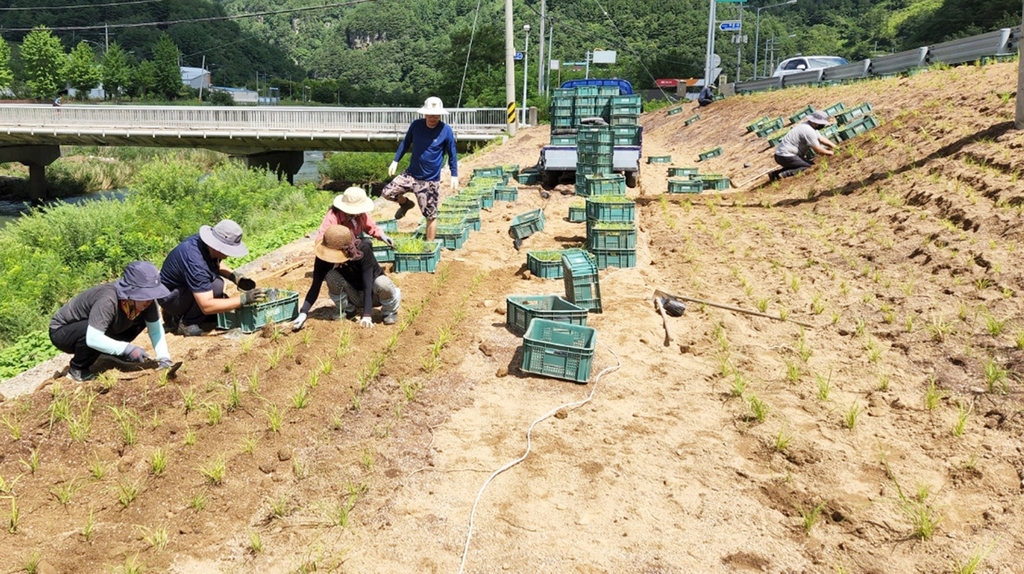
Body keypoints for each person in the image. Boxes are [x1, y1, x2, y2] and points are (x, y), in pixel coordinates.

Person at [49, 261, 174, 382]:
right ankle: (78, 369)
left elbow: (156, 330)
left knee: (140, 319)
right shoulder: (108, 300)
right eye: (145, 295)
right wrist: (126, 349)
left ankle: (109, 353)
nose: (149, 300)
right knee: (94, 329)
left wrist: (164, 358)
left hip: (98, 329)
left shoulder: (147, 302)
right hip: (63, 332)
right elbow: (93, 338)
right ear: (132, 291)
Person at [158, 219, 267, 336]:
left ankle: (183, 315)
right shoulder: (195, 261)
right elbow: (206, 305)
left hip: (180, 290)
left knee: (216, 285)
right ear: (217, 246)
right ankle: (186, 323)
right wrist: (244, 299)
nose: (229, 254)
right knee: (216, 286)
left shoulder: (204, 245)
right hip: (171, 298)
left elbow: (215, 263)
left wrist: (236, 277)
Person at [292, 225, 400, 331]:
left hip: (374, 294)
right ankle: (348, 309)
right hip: (353, 295)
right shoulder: (322, 258)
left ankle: (389, 311)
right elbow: (315, 286)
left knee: (383, 283)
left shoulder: (363, 251)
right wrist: (303, 313)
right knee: (330, 276)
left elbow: (367, 285)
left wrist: (367, 315)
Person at [382, 96, 459, 242]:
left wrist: (454, 174)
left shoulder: (446, 130)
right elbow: (405, 143)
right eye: (430, 114)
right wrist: (395, 160)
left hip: (429, 181)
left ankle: (429, 246)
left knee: (430, 215)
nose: (432, 118)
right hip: (411, 174)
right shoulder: (416, 125)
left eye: (436, 115)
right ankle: (405, 204)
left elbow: (452, 153)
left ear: (440, 115)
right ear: (425, 114)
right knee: (387, 192)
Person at [315, 186, 394, 248]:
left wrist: (382, 236)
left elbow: (371, 227)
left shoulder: (361, 215)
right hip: (336, 247)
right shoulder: (334, 215)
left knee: (366, 243)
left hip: (352, 246)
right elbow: (323, 235)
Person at [770, 110, 837, 181]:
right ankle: (783, 174)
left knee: (800, 164)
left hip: (781, 155)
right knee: (809, 166)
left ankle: (774, 174)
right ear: (814, 122)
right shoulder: (808, 130)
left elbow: (821, 139)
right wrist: (831, 153)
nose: (823, 125)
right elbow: (818, 150)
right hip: (785, 156)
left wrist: (835, 147)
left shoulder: (809, 126)